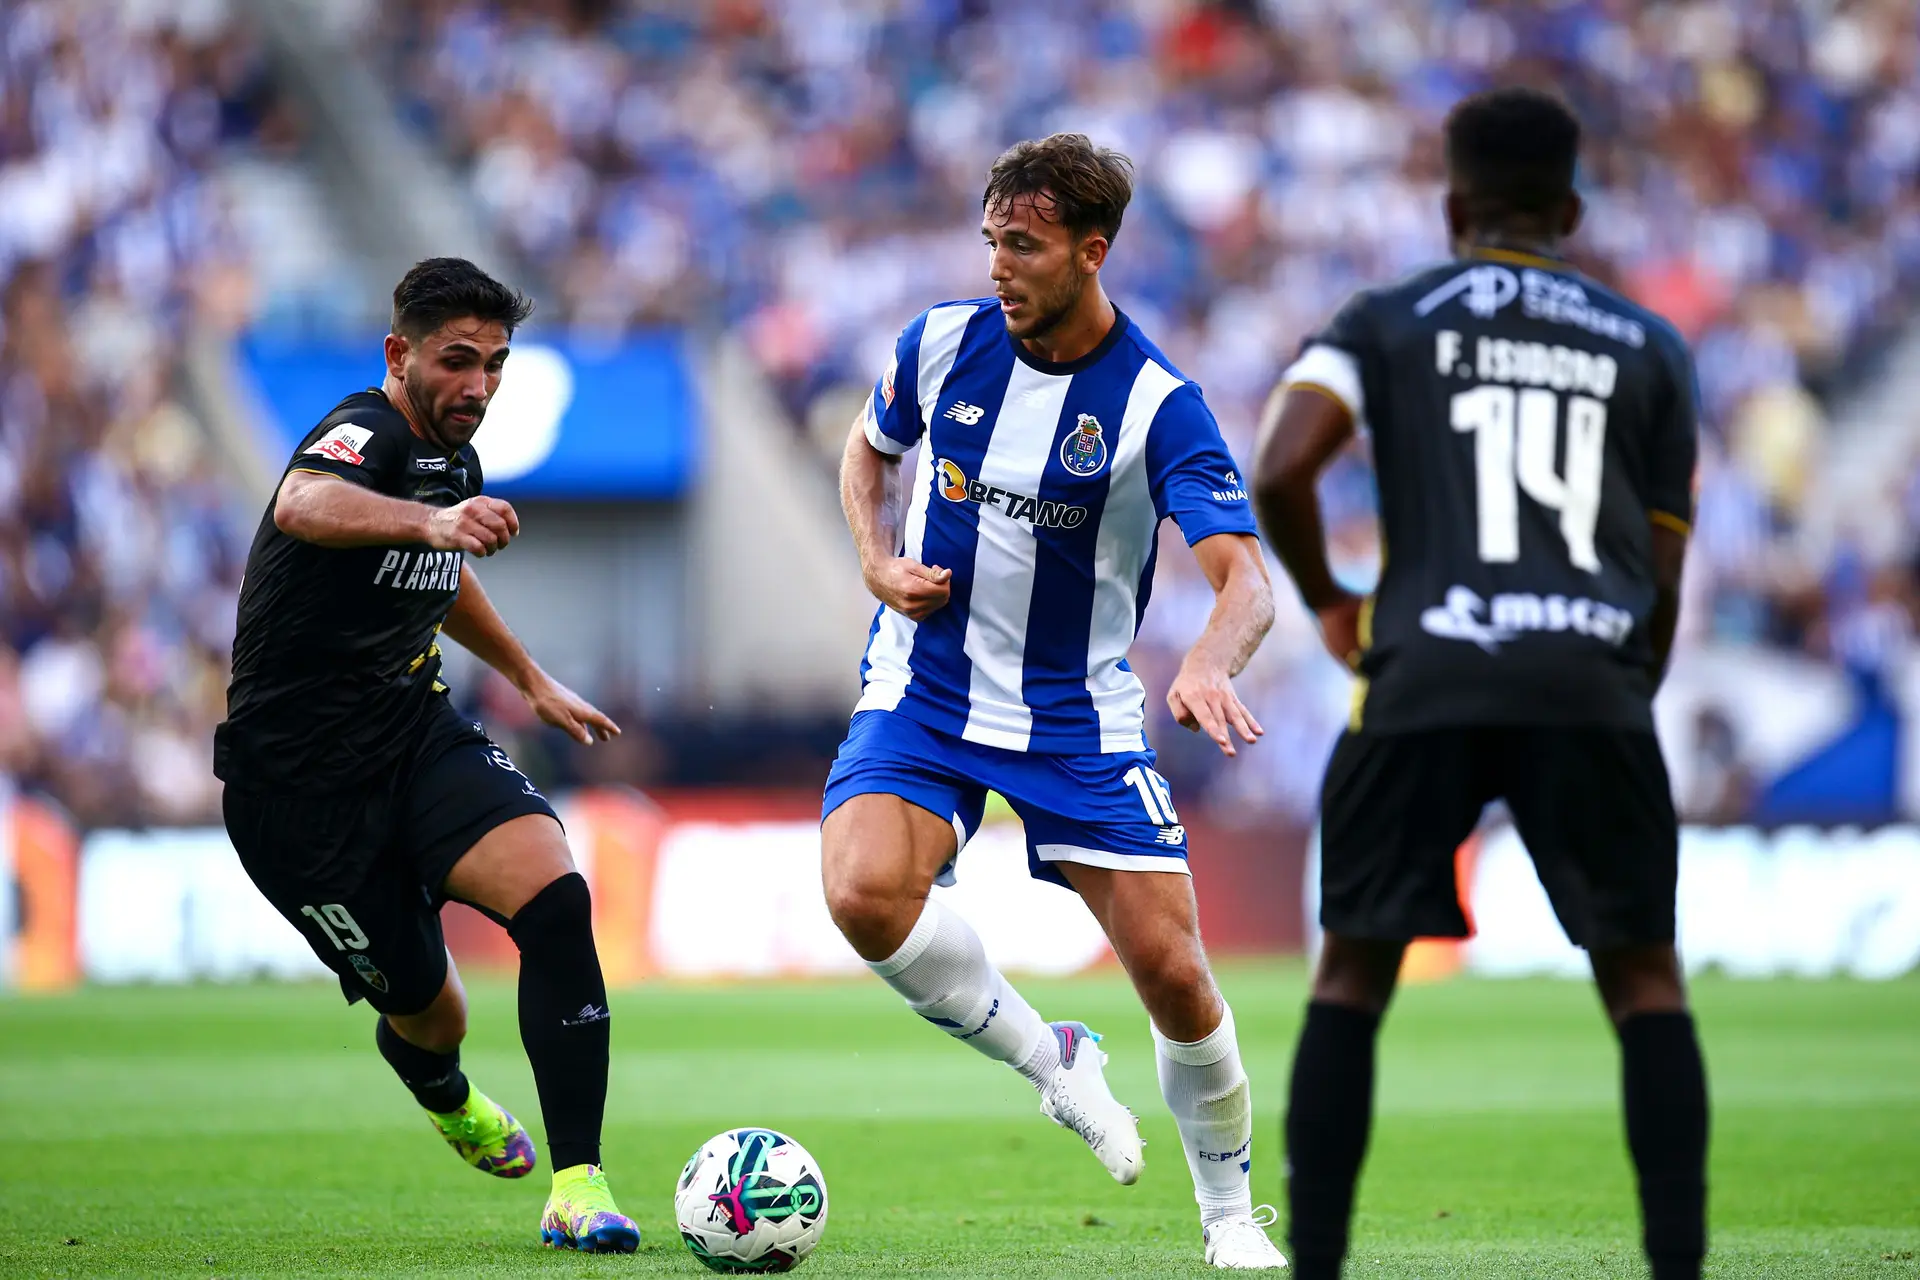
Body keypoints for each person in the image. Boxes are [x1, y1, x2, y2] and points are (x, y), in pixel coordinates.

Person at [1252, 88, 1708, 1280]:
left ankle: (1319, 1267)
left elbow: (1282, 467)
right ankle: (1676, 1264)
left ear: (1452, 205)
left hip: (1423, 673)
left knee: (1351, 970)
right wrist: (1618, 685)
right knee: (1645, 978)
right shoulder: (1651, 346)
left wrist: (1332, 601)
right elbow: (1662, 568)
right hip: (1588, 679)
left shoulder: (1388, 320)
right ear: (1569, 207)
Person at [821, 133, 1287, 1270]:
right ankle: (1054, 1062)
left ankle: (1229, 1215)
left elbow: (1247, 579)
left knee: (1176, 973)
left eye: (1021, 246)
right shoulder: (939, 342)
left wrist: (1212, 659)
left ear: (1091, 251)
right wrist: (878, 562)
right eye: (990, 240)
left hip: (1074, 715)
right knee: (862, 892)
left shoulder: (1154, 404)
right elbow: (865, 452)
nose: (998, 266)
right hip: (926, 682)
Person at [215, 258, 639, 1253]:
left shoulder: (455, 462)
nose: (480, 389)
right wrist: (431, 520)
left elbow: (435, 577)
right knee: (430, 1010)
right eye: (458, 362)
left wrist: (529, 676)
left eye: (496, 365)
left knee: (557, 898)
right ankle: (447, 1092)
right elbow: (304, 505)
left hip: (411, 730)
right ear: (400, 353)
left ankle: (580, 1181)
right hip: (297, 793)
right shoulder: (362, 431)